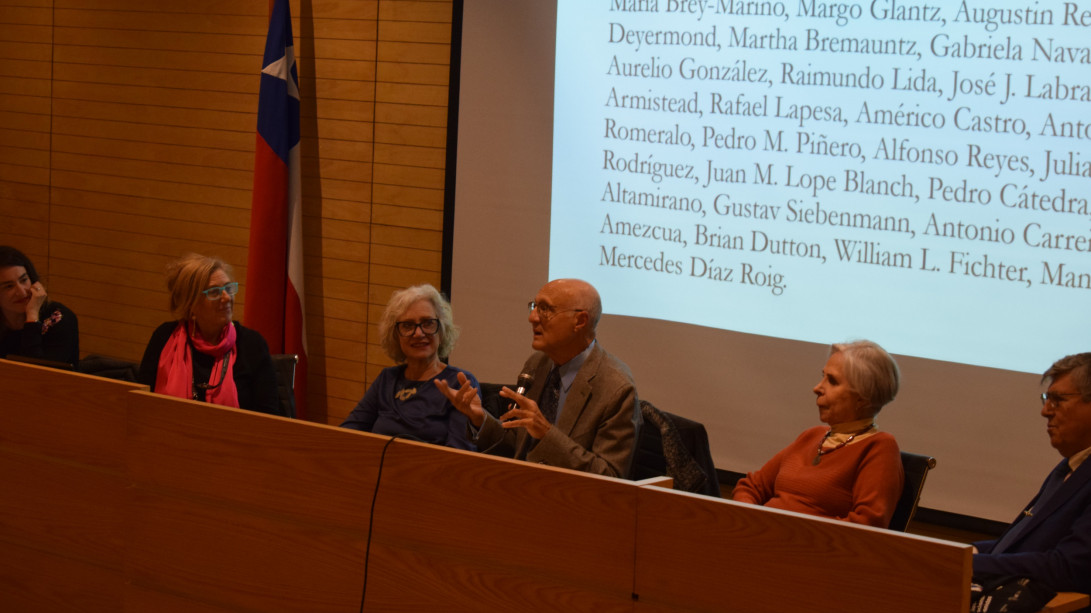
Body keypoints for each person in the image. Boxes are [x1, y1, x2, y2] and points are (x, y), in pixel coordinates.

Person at [437, 278, 640, 478]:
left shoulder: (616, 388)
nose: (532, 317)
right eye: (534, 306)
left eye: (545, 309)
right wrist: (480, 418)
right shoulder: (538, 364)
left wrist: (547, 434)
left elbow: (610, 477)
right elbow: (518, 446)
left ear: (580, 321)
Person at [732, 340, 904, 528]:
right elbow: (750, 487)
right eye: (822, 377)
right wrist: (751, 520)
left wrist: (785, 532)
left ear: (862, 398)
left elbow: (867, 524)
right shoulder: (811, 436)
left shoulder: (879, 447)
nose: (817, 388)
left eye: (832, 381)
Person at [972, 352, 1091, 596]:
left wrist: (970, 563)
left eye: (1058, 400)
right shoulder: (1069, 467)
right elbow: (1021, 547)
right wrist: (965, 551)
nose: (1045, 411)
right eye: (1046, 399)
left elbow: (1069, 567)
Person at [138, 254, 285, 416]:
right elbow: (140, 402)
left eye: (229, 288)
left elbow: (269, 417)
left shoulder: (252, 344)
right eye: (215, 292)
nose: (227, 297)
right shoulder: (164, 337)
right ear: (191, 304)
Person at [340, 284, 477, 450]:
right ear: (395, 335)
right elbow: (347, 434)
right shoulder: (387, 379)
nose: (418, 333)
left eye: (427, 323)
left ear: (441, 330)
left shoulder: (460, 383)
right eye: (407, 325)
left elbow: (460, 455)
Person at [0, 246, 79, 367]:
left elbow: (37, 376)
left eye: (24, 280)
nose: (22, 292)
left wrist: (32, 316)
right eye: (9, 286)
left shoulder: (58, 318)